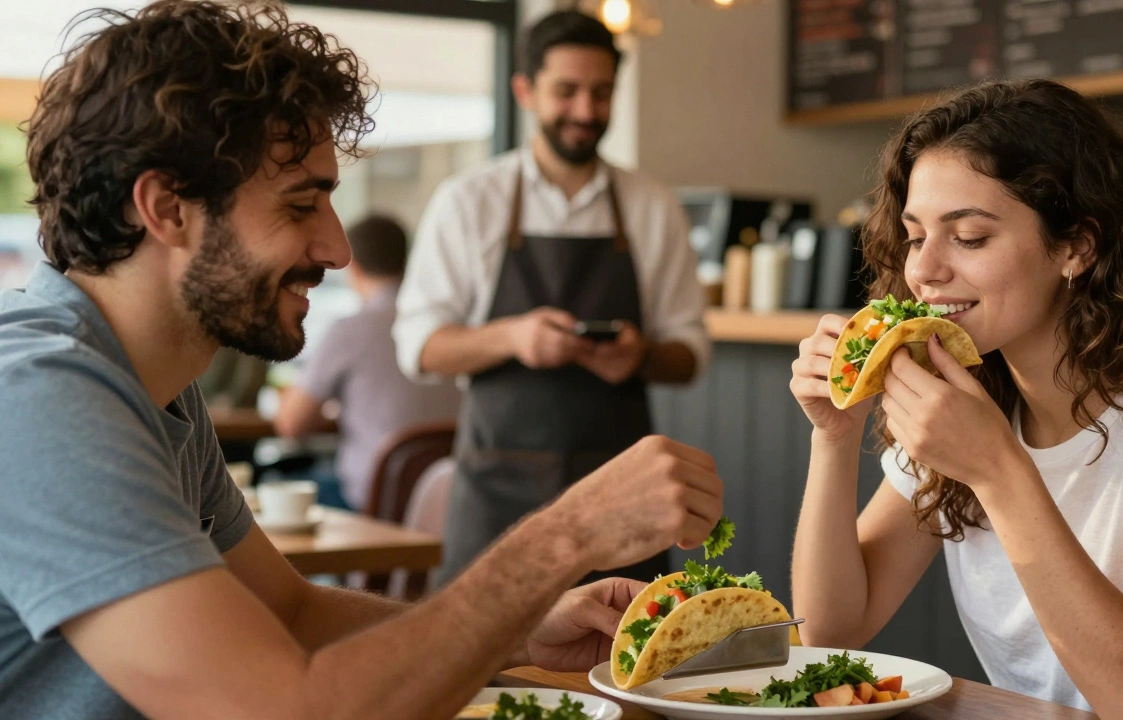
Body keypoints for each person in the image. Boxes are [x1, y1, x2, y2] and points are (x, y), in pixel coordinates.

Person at [0, 3, 724, 719]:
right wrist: (567, 535)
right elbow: (285, 707)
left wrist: (521, 630)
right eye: (300, 204)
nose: (337, 250)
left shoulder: (158, 391)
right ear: (167, 208)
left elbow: (291, 611)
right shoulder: (41, 395)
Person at [789, 78, 1123, 719]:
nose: (924, 270)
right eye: (915, 236)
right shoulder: (968, 390)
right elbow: (831, 630)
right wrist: (834, 436)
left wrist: (996, 468)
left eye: (967, 236)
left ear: (1077, 245)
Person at [393, 11, 710, 586]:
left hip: (621, 497)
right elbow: (419, 348)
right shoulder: (469, 199)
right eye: (566, 91)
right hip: (498, 496)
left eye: (601, 92)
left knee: (621, 663)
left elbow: (690, 352)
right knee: (485, 668)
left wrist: (639, 355)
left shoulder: (650, 205)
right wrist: (513, 337)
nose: (586, 112)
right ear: (525, 91)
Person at [274, 215, 463, 511]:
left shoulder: (351, 330)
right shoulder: (451, 331)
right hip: (446, 501)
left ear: (355, 267)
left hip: (370, 501)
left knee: (277, 488)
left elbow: (291, 424)